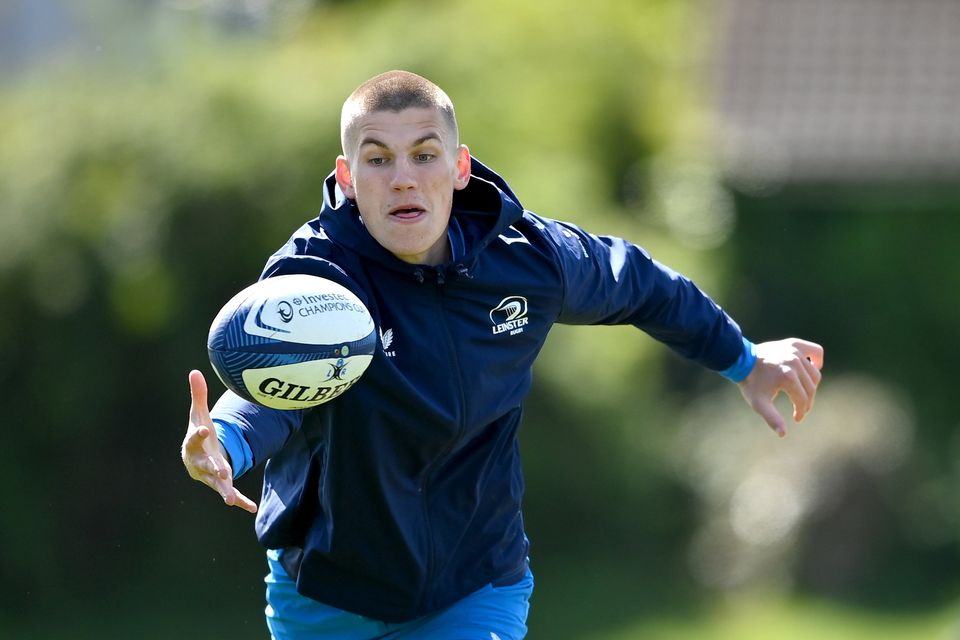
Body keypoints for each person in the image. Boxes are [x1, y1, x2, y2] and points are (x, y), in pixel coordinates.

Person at [181, 70, 824, 639]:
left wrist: (743, 357)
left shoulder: (526, 257)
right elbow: (274, 383)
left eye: (424, 155)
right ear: (348, 179)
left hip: (474, 584)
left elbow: (640, 286)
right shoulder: (317, 275)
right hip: (326, 596)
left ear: (460, 169)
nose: (403, 177)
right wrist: (229, 442)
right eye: (377, 160)